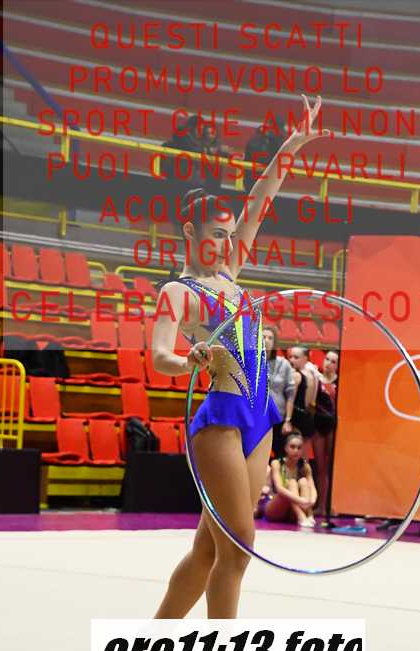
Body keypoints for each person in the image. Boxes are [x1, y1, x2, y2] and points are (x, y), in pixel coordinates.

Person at [151, 94, 329, 619]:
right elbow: (160, 355)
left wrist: (292, 144)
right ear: (191, 233)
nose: (226, 244)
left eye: (230, 236)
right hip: (223, 420)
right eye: (217, 235)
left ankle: (153, 637)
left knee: (210, 550)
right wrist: (189, 361)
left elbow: (261, 199)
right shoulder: (178, 291)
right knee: (238, 547)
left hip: (260, 417)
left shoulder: (231, 275)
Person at [264, 432, 317, 528]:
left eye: (299, 448)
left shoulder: (305, 466)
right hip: (275, 507)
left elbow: (312, 488)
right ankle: (302, 517)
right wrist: (300, 500)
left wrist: (311, 500)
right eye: (292, 447)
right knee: (292, 483)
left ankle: (309, 515)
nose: (296, 450)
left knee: (303, 482)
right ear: (285, 448)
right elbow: (279, 489)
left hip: (292, 511)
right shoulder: (277, 463)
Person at [312, 350, 338, 516]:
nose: (328, 363)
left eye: (333, 361)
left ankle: (332, 505)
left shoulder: (339, 382)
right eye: (327, 359)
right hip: (318, 426)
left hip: (333, 427)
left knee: (332, 468)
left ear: (337, 366)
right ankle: (321, 505)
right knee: (320, 468)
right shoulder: (317, 379)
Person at [263, 325, 295, 457]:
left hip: (277, 417)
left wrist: (288, 420)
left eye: (270, 338)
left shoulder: (284, 364)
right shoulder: (251, 362)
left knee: (279, 454)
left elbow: (290, 395)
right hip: (257, 416)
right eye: (263, 337)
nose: (266, 340)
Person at [283, 346, 319, 441]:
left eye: (296, 357)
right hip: (307, 417)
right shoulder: (313, 374)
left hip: (296, 419)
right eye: (290, 357)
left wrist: (287, 420)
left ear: (305, 359)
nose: (291, 360)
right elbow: (312, 400)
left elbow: (290, 399)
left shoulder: (296, 376)